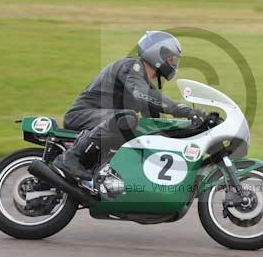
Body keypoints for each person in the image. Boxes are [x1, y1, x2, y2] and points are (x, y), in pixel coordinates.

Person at [52, 30, 205, 182]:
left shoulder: (145, 84)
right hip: (82, 115)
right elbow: (143, 95)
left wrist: (192, 127)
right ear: (157, 54)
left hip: (101, 121)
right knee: (127, 117)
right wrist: (182, 110)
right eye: (171, 59)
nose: (173, 63)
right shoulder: (130, 67)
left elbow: (156, 124)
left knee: (139, 128)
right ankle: (71, 157)